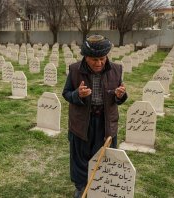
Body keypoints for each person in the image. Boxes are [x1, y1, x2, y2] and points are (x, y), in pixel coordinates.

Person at [62, 34, 128, 198]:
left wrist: (120, 95)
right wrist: (78, 94)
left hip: (105, 122)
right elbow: (66, 94)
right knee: (80, 158)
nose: (99, 63)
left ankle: (102, 187)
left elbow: (118, 99)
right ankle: (81, 187)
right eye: (94, 59)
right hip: (82, 122)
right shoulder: (75, 70)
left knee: (103, 157)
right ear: (86, 57)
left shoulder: (116, 70)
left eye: (102, 58)